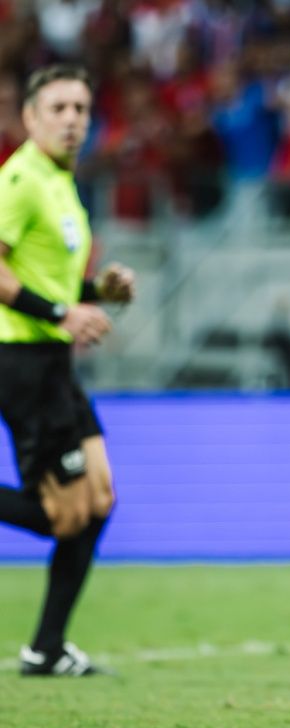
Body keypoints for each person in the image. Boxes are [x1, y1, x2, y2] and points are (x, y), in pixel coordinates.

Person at [0, 64, 135, 676]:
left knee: (100, 498)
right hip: (21, 360)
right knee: (62, 514)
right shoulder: (22, 179)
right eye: (58, 108)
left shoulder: (62, 185)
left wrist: (96, 292)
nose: (72, 120)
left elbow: (50, 279)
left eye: (81, 108)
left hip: (52, 361)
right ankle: (47, 648)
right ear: (30, 118)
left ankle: (47, 648)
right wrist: (61, 312)